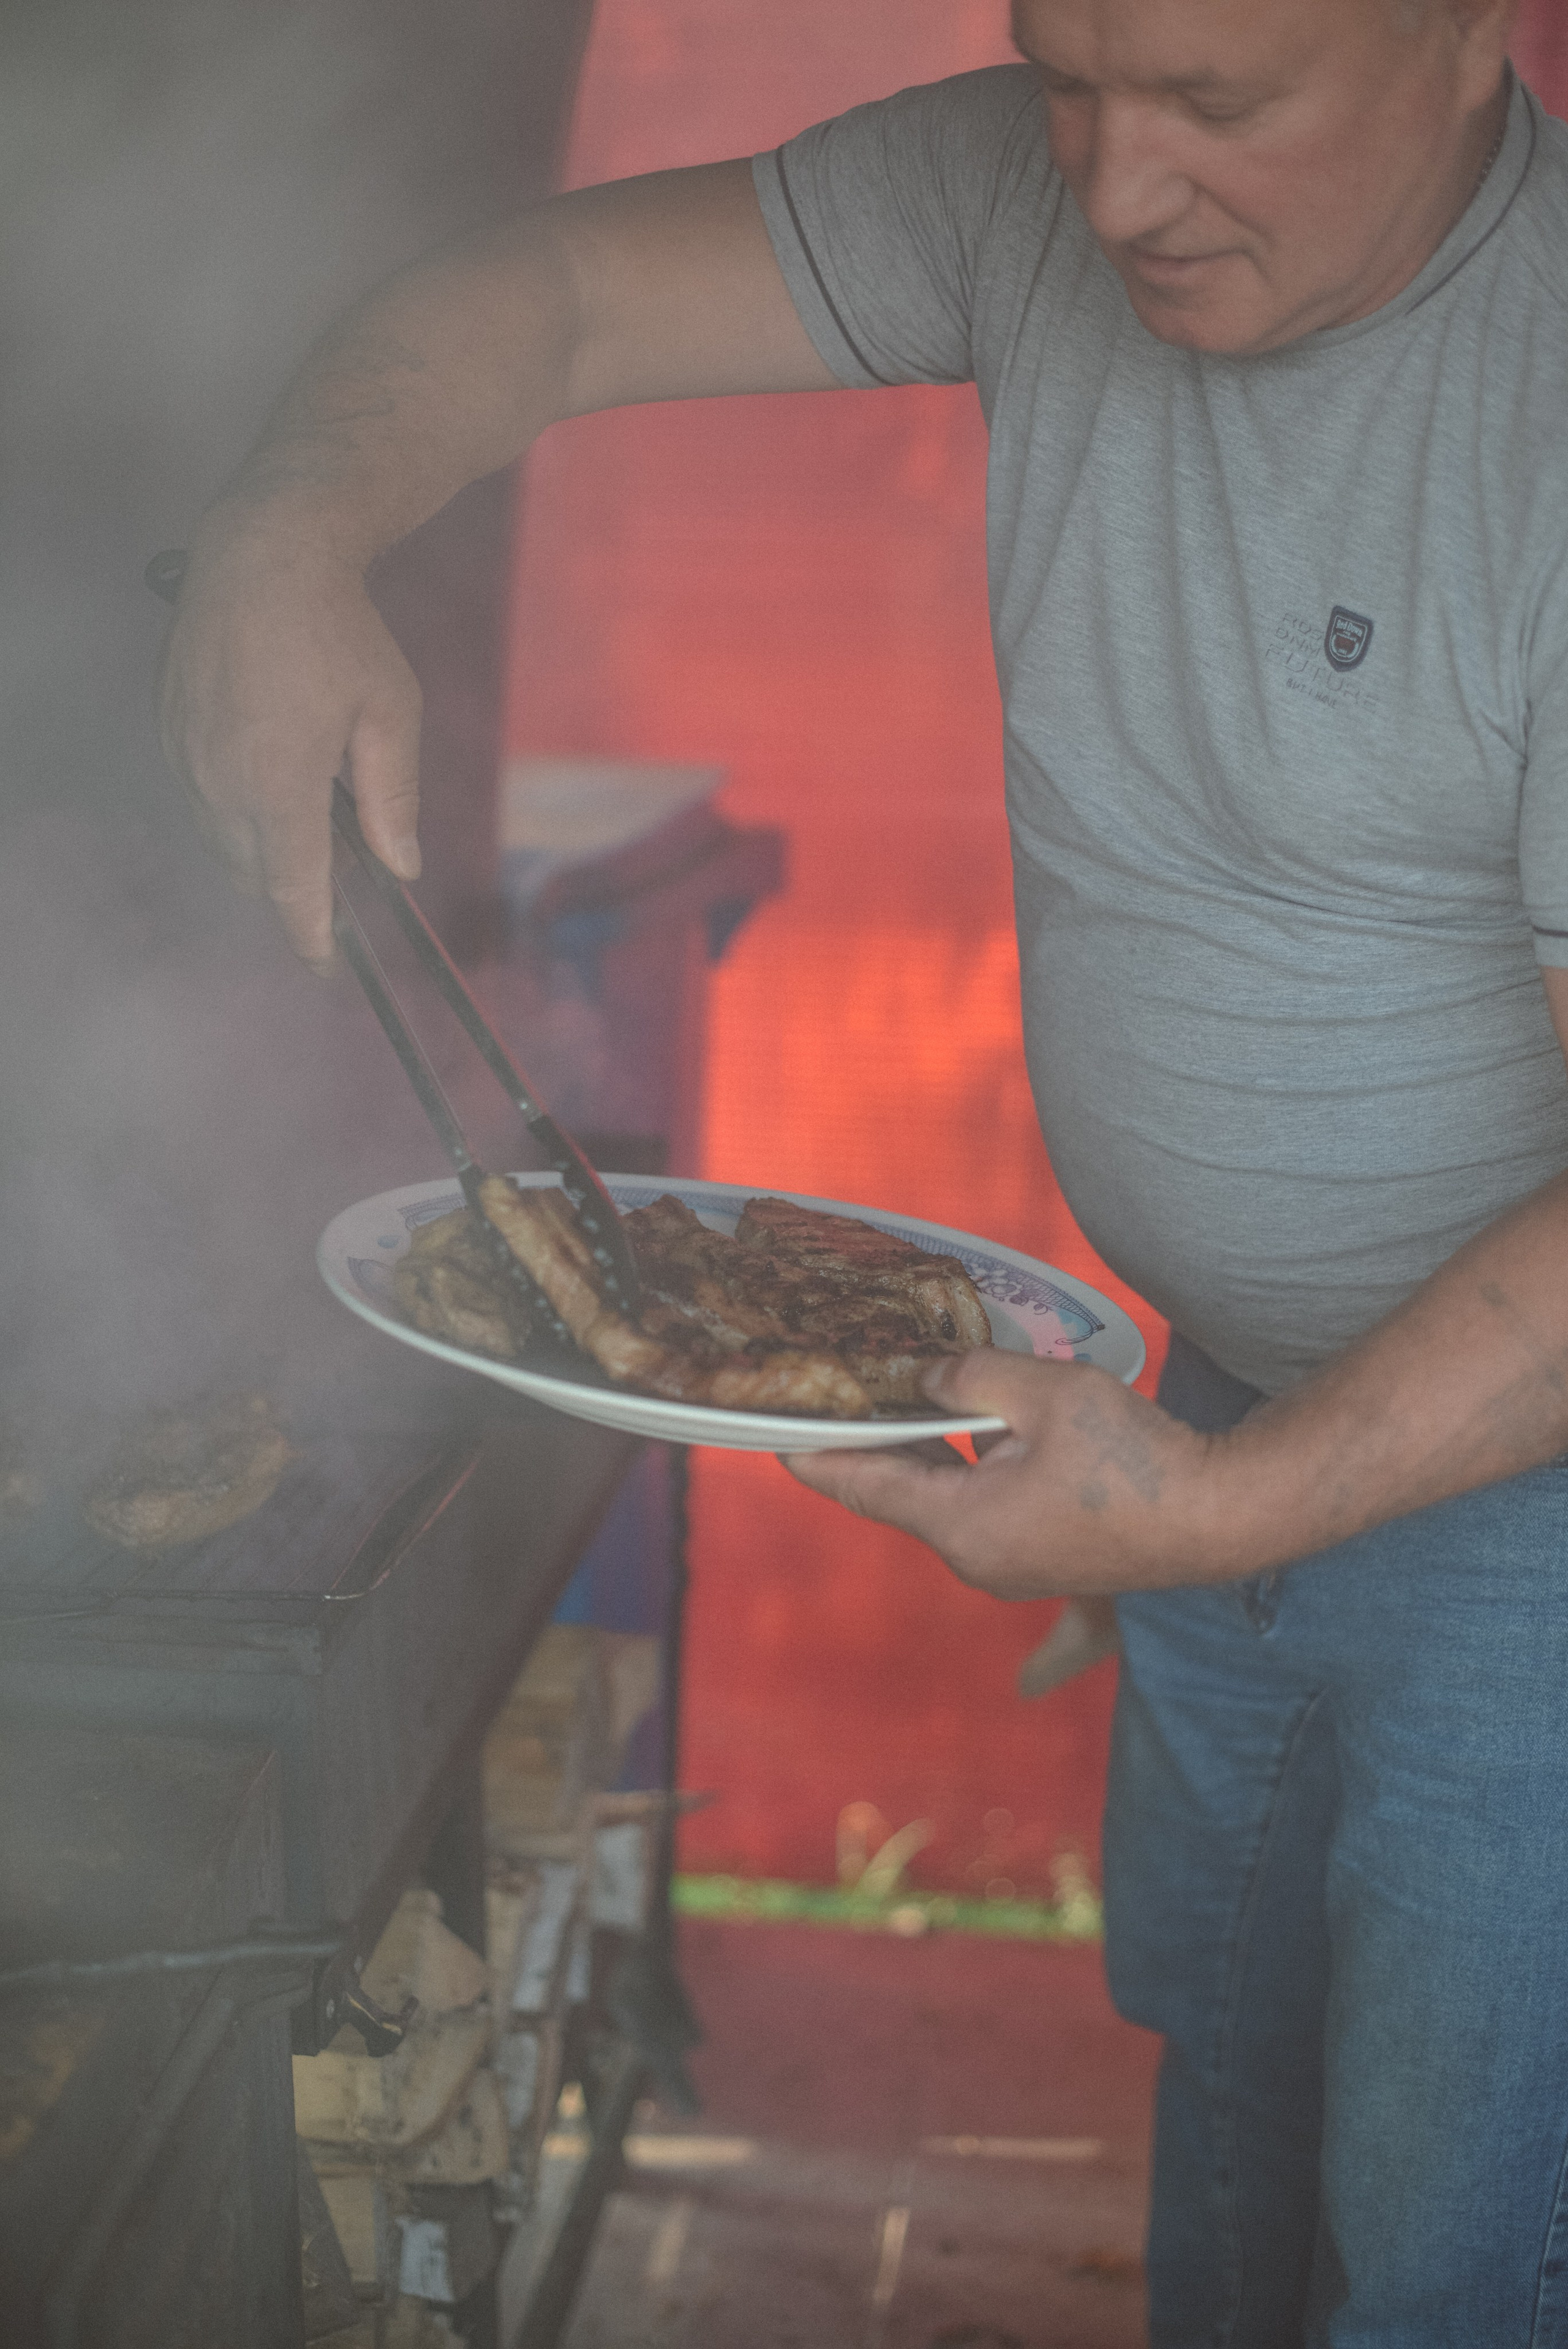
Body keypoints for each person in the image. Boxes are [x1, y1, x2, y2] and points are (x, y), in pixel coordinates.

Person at [158, 0, 1568, 2337]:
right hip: (1226, 1413)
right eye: (1064, 74)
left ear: (1458, 29)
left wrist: (1209, 1514)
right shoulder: (1028, 187)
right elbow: (562, 291)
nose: (1110, 188)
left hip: (1516, 1526)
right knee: (1243, 2153)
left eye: (1216, 105)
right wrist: (292, 524)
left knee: (1457, 2256)